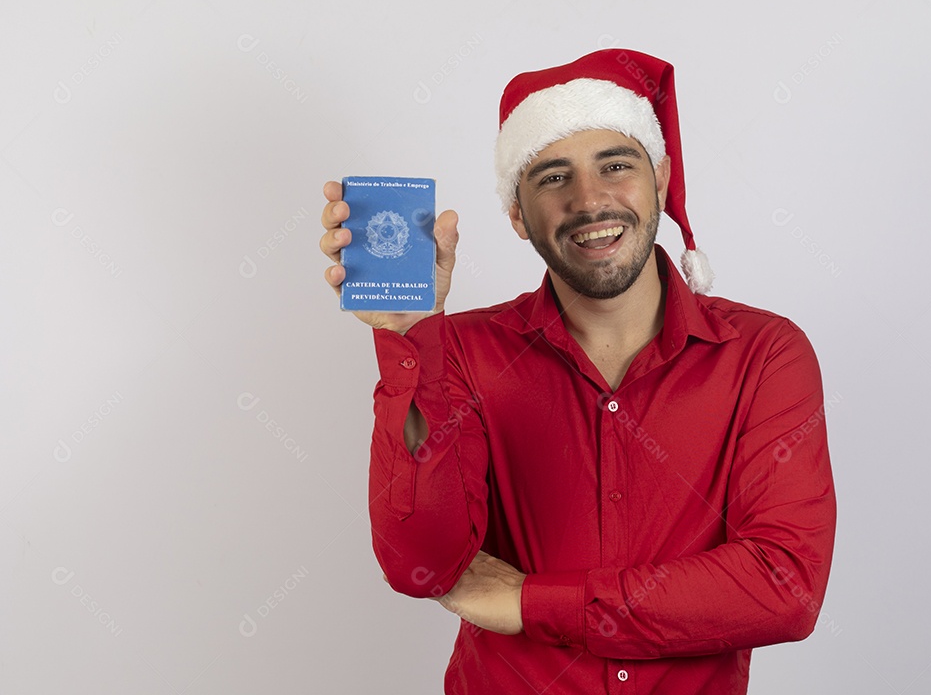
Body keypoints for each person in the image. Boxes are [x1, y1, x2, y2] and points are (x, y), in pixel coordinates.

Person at [319, 49, 836, 694]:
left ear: (663, 180)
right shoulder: (461, 350)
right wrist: (409, 344)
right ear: (516, 214)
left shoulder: (764, 354)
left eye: (616, 166)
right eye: (552, 177)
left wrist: (533, 603)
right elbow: (422, 562)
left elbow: (785, 584)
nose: (590, 201)